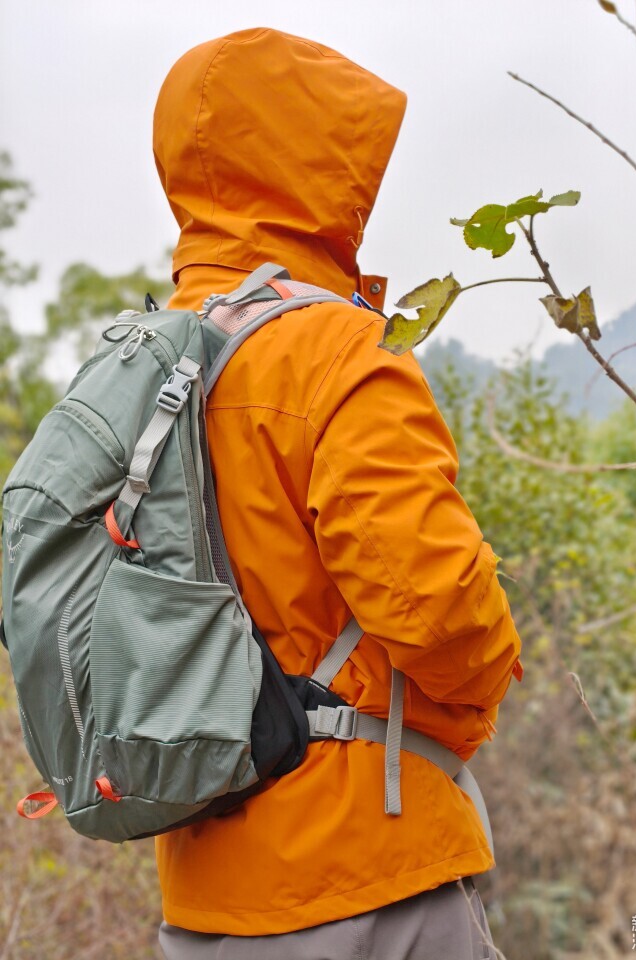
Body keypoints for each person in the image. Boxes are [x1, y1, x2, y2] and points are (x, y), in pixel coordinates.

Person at [152, 27, 522, 960]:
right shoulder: (336, 355)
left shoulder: (146, 363)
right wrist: (474, 706)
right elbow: (436, 606)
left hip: (199, 898)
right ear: (315, 164)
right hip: (366, 875)